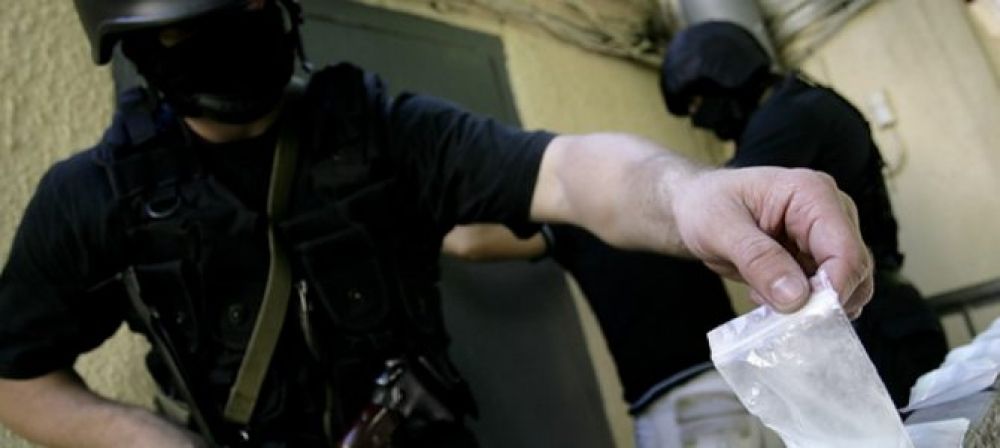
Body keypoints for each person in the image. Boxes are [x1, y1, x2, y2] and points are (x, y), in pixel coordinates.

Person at [0, 1, 873, 446]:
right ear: (137, 39)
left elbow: (568, 171)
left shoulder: (378, 127)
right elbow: (16, 376)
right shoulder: (93, 198)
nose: (238, 29)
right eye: (198, 27)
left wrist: (689, 195)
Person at [660, 20, 948, 408]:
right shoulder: (801, 101)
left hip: (875, 330)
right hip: (880, 319)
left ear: (725, 76)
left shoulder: (788, 119)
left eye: (697, 103)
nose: (698, 121)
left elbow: (721, 210)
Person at [444, 224, 784, 448]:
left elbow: (468, 242)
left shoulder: (577, 216)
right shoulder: (669, 196)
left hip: (688, 404)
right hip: (738, 385)